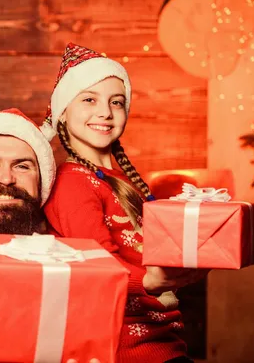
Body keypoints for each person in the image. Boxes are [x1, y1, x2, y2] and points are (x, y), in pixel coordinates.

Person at [41, 43, 208, 363]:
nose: (105, 112)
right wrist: (149, 280)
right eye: (89, 99)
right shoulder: (73, 182)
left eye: (116, 102)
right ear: (63, 111)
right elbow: (95, 264)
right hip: (121, 349)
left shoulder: (122, 179)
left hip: (163, 340)